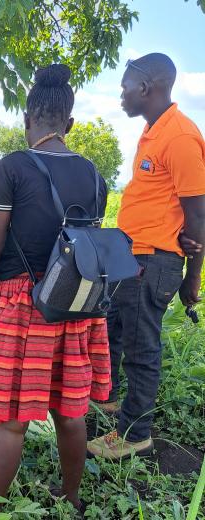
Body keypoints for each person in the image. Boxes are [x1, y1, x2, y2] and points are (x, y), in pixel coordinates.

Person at [0, 64, 110, 518]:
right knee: (70, 410)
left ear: (27, 121)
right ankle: (71, 497)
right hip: (75, 304)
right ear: (71, 124)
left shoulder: (13, 167)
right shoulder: (93, 174)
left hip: (22, 306)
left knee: (10, 424)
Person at [88, 53, 205, 460]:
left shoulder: (181, 137)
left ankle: (135, 433)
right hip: (131, 257)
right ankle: (112, 400)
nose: (120, 95)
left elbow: (198, 214)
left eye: (124, 87)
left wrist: (193, 279)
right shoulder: (154, 132)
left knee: (141, 348)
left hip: (153, 261)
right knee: (115, 333)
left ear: (146, 87)